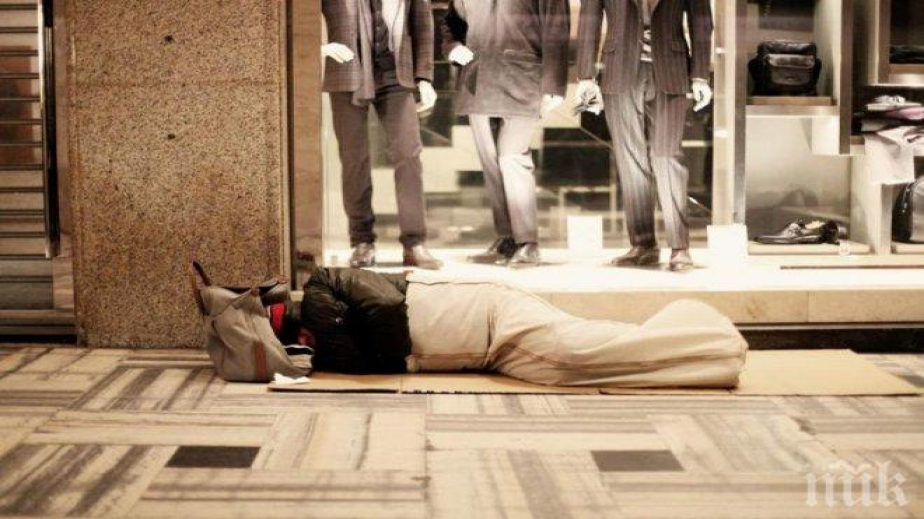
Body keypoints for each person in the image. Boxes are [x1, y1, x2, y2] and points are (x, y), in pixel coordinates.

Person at [298, 265, 747, 388]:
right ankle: (702, 352)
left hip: (490, 315)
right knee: (572, 368)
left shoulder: (321, 288)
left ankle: (714, 342)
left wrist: (387, 361)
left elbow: (387, 308)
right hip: (485, 349)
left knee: (574, 355)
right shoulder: (324, 335)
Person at [575, 0, 714, 271]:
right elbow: (590, 17)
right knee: (630, 160)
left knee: (667, 157)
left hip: (671, 69)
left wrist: (700, 76)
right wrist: (585, 75)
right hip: (619, 69)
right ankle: (643, 244)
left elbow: (701, 21)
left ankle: (679, 246)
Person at [440, 0, 570, 268]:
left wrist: (555, 84)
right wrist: (452, 48)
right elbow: (450, 22)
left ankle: (528, 241)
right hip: (478, 79)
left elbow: (556, 24)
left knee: (512, 156)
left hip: (524, 77)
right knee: (491, 162)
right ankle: (507, 238)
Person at [320, 0, 443, 269]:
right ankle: (361, 241)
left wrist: (424, 77)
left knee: (409, 154)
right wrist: (319, 46)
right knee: (354, 159)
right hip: (347, 69)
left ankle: (414, 242)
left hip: (395, 72)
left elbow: (422, 24)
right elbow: (302, 14)